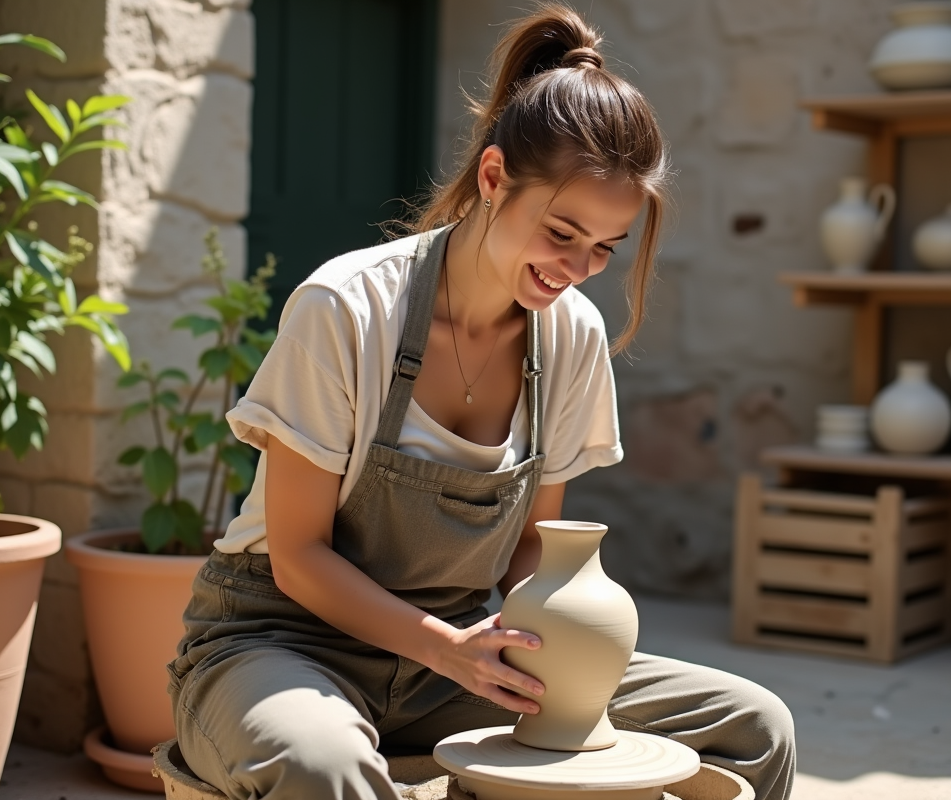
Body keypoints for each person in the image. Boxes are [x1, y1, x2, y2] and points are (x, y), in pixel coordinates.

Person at [167, 4, 795, 799]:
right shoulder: (348, 307)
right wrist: (445, 647)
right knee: (323, 767)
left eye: (604, 247)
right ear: (494, 178)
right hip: (282, 643)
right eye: (562, 232)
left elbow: (537, 547)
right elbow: (298, 556)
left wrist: (572, 633)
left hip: (465, 657)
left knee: (754, 727)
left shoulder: (572, 338)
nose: (577, 267)